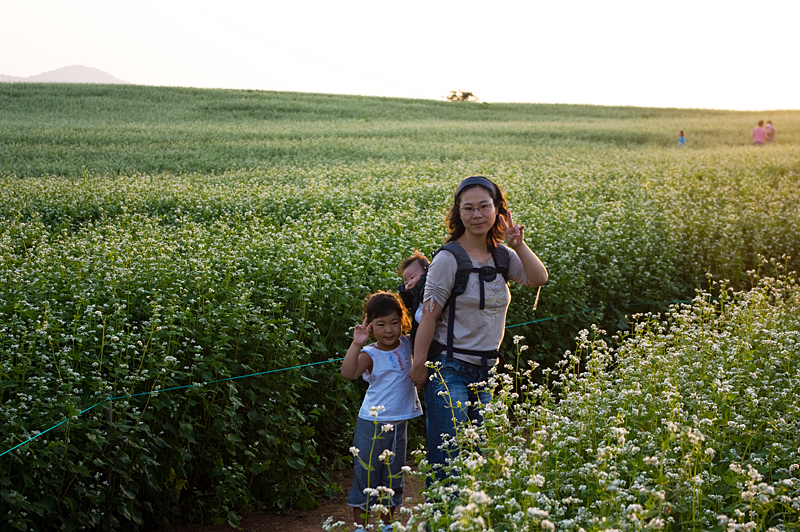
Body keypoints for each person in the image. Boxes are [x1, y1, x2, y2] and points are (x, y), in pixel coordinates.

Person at [408, 176, 548, 483]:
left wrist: (519, 245)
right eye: (468, 208)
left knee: (482, 460)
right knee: (448, 462)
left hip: (487, 370)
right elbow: (429, 316)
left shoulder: (502, 255)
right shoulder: (448, 258)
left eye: (484, 207)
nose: (476, 215)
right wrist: (419, 365)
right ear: (458, 213)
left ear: (498, 210)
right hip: (449, 368)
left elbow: (538, 278)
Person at [341, 291, 422, 531]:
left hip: (399, 424)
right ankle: (361, 526)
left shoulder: (407, 343)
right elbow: (348, 373)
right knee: (367, 476)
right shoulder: (370, 353)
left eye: (395, 323)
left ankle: (388, 525)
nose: (389, 330)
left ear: (402, 322)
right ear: (371, 326)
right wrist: (357, 343)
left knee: (393, 476)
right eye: (381, 324)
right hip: (372, 423)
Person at [397, 250, 429, 343]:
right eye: (405, 282)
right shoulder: (415, 296)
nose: (409, 284)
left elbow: (424, 317)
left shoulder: (427, 291)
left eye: (412, 278)